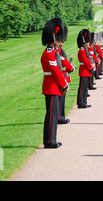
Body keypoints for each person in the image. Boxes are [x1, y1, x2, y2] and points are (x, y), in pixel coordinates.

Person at [40, 18, 69, 149]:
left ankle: (51, 140)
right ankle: (49, 141)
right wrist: (64, 84)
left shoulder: (53, 52)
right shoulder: (49, 53)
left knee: (52, 115)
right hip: (51, 86)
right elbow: (55, 71)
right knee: (51, 115)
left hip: (54, 86)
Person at [56, 26, 76, 124]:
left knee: (62, 99)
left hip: (63, 74)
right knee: (60, 99)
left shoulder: (59, 49)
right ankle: (60, 117)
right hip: (61, 75)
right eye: (60, 41)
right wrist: (70, 67)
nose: (62, 43)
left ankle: (61, 116)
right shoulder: (57, 50)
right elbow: (62, 62)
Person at [77, 29, 95, 109]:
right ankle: (81, 103)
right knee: (82, 88)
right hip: (84, 70)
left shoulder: (85, 49)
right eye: (87, 41)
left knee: (85, 89)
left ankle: (84, 102)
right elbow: (85, 60)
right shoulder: (82, 50)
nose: (89, 43)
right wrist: (91, 67)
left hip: (86, 71)